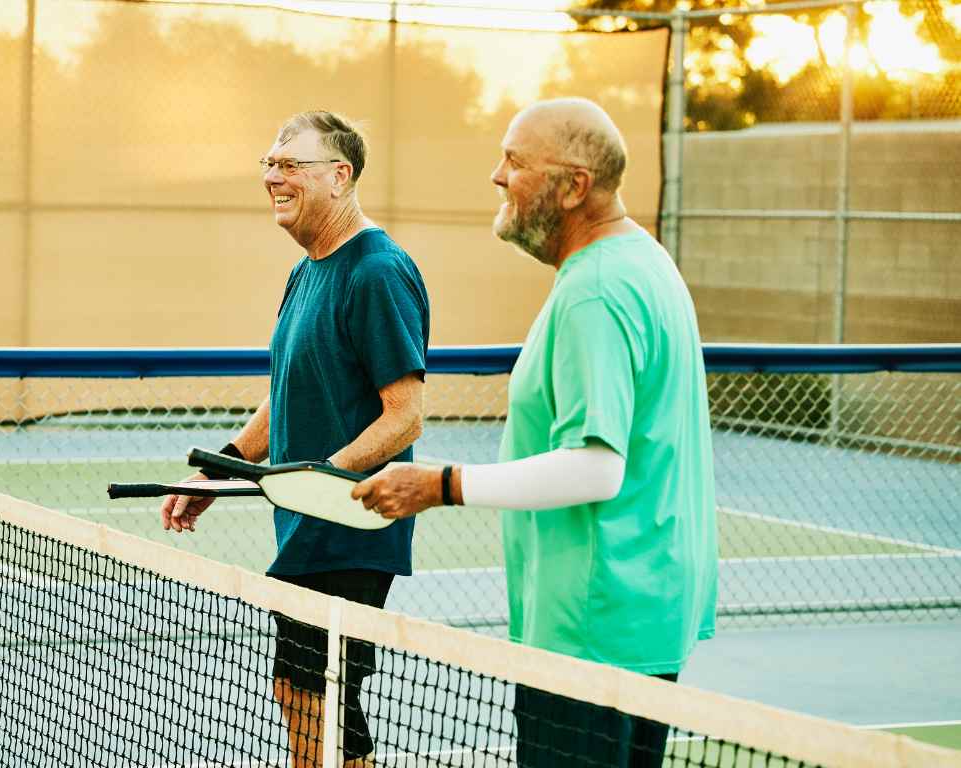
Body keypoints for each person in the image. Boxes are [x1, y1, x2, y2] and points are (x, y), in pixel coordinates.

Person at [349, 98, 717, 768]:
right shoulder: (644, 264)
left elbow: (595, 466)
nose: (497, 175)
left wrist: (439, 485)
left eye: (515, 162)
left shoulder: (595, 291)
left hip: (589, 635)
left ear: (574, 186)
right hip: (642, 623)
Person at [159, 111, 430, 767]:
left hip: (351, 525)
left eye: (290, 165)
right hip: (309, 522)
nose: (273, 178)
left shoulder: (378, 271)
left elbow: (405, 416)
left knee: (316, 694)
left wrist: (318, 482)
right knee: (307, 694)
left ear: (339, 176)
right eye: (269, 164)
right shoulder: (306, 271)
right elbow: (287, 392)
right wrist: (219, 472)